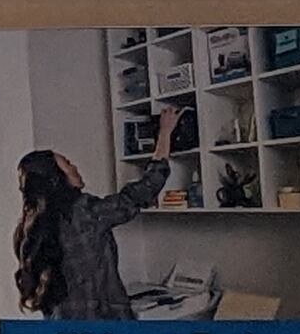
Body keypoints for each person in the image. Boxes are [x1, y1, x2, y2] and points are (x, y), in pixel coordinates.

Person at [11, 107, 183, 321]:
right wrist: (165, 133)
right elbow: (141, 192)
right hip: (103, 331)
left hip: (64, 332)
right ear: (56, 179)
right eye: (68, 164)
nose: (75, 168)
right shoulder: (83, 212)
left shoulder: (28, 228)